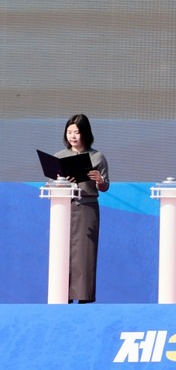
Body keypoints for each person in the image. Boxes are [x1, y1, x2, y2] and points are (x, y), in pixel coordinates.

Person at [54, 114, 109, 303]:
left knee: (84, 256)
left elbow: (105, 186)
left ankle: (84, 299)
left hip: (86, 208)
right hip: (63, 209)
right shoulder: (59, 157)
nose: (73, 136)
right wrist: (60, 183)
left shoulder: (97, 156)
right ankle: (62, 297)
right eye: (69, 132)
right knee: (62, 253)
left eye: (76, 132)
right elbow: (50, 184)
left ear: (85, 133)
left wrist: (99, 180)